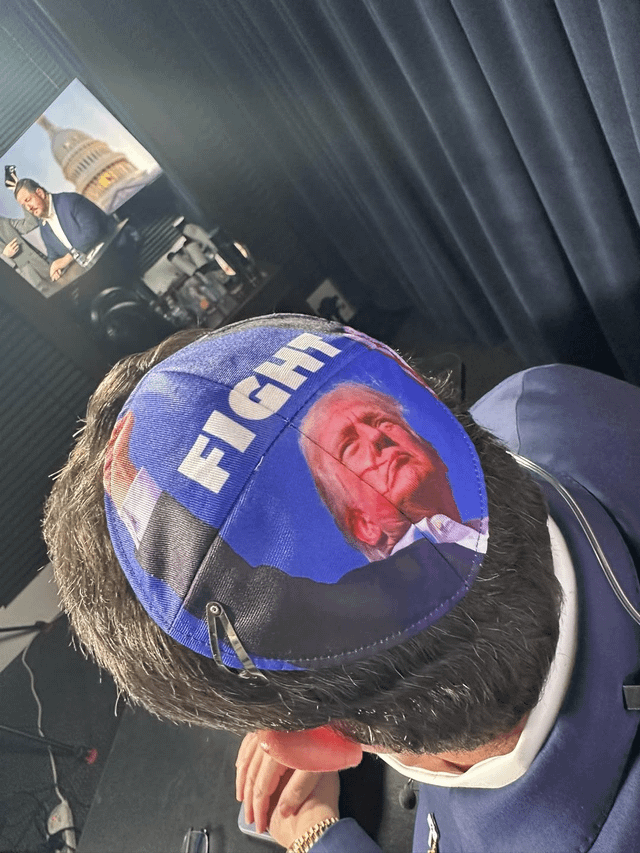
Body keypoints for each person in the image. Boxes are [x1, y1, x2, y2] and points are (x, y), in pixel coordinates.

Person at [43, 315, 640, 852]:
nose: (375, 444)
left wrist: (317, 836)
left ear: (315, 746)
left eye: (376, 422)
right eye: (349, 447)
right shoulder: (539, 398)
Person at [299, 382, 487, 561]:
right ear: (364, 525)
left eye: (381, 422)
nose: (375, 435)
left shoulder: (497, 521)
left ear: (433, 453)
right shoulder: (408, 581)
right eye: (349, 446)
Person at [14, 178, 114, 281]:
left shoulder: (70, 201)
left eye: (28, 200)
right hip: (91, 274)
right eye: (24, 206)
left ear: (40, 193)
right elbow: (53, 257)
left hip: (111, 254)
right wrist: (55, 268)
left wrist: (66, 259)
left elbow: (92, 231)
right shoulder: (43, 227)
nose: (28, 208)